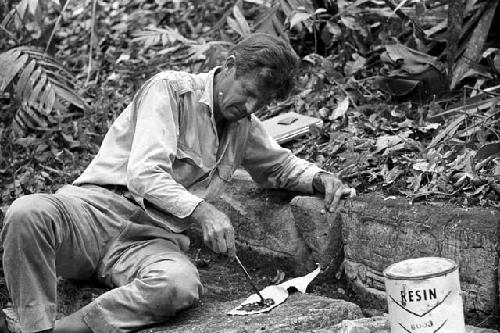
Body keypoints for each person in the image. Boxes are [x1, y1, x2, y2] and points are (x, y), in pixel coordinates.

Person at [0, 33, 354, 333]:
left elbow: (280, 165)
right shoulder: (171, 90)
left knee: (179, 285)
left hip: (150, 241)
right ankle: (35, 326)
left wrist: (321, 179)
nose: (249, 106)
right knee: (28, 211)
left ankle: (66, 329)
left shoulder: (243, 123)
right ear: (229, 65)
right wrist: (202, 210)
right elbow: (143, 174)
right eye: (247, 92)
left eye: (259, 103)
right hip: (93, 212)